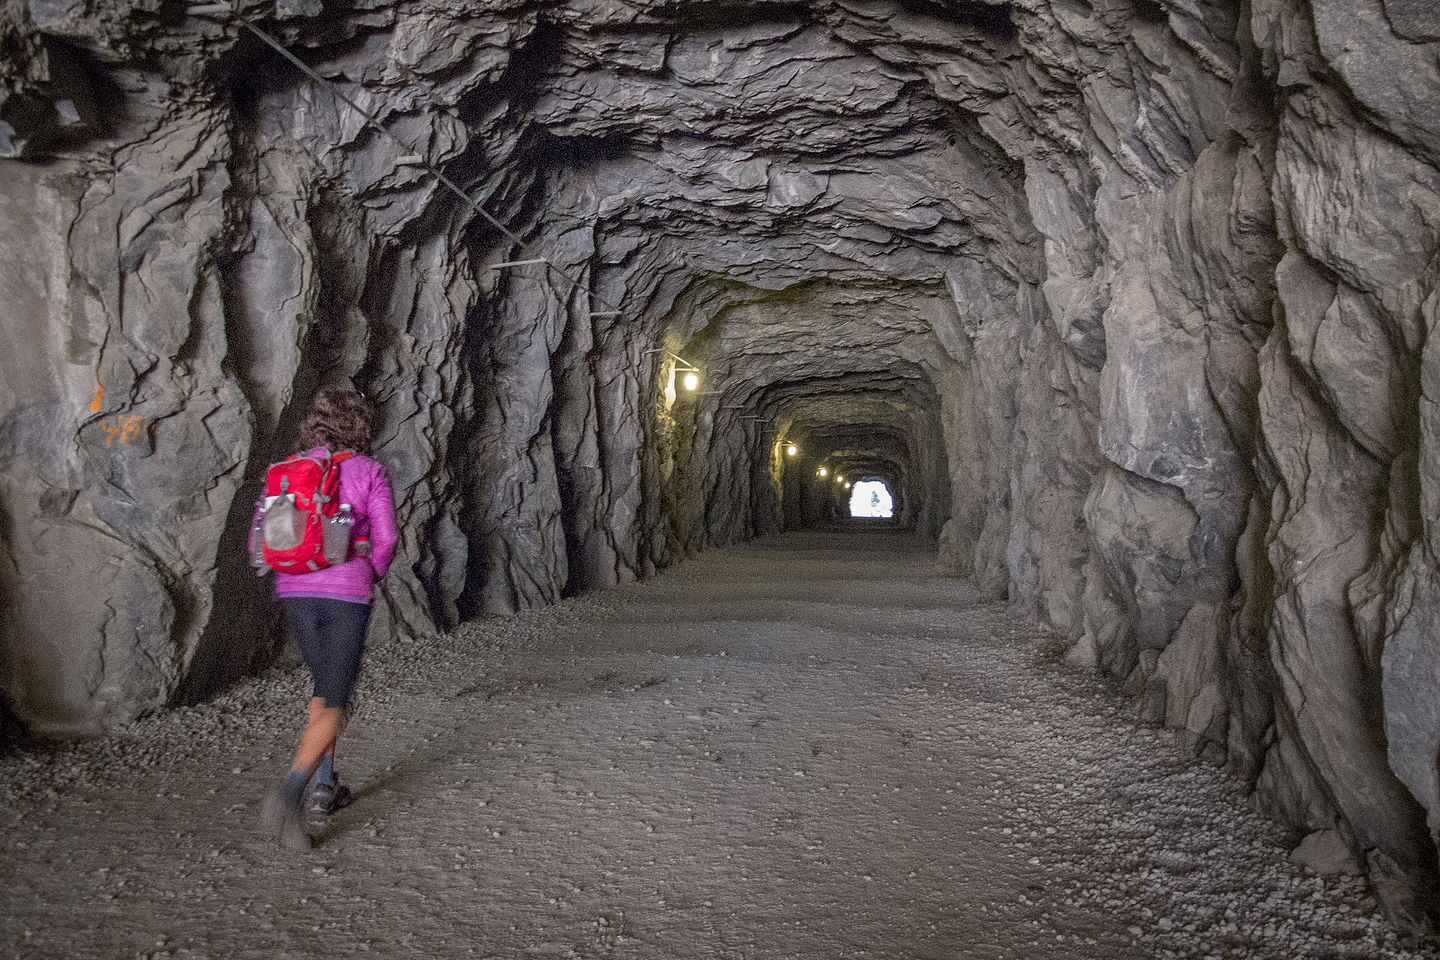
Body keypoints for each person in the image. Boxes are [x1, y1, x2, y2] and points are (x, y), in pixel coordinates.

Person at [254, 387, 398, 850]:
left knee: (323, 688)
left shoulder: (285, 474)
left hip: (294, 590)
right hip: (346, 596)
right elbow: (388, 537)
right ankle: (290, 792)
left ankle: (324, 786)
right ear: (361, 426)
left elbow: (263, 537)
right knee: (338, 701)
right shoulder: (368, 470)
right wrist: (367, 573)